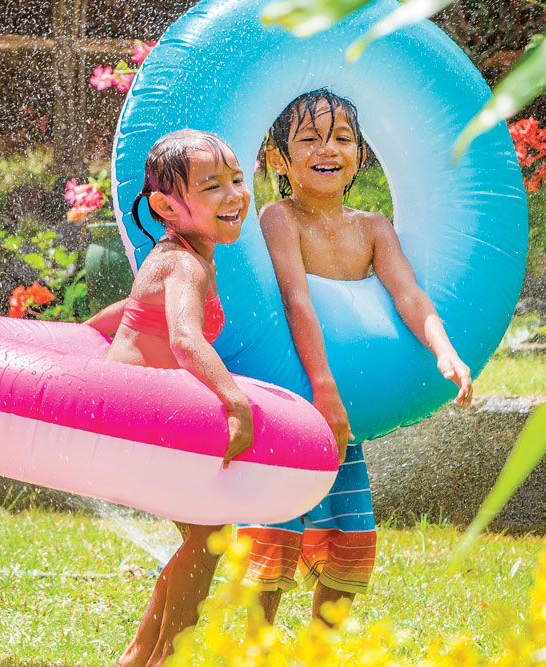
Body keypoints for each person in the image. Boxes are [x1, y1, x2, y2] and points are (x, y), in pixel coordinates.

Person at [238, 89, 474, 629]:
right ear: (278, 159)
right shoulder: (280, 219)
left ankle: (319, 652)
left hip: (346, 409)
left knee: (350, 533)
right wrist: (323, 389)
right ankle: (256, 651)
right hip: (299, 398)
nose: (329, 149)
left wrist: (445, 351)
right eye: (309, 139)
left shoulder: (373, 228)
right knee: (275, 532)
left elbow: (409, 295)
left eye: (343, 138)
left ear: (362, 155)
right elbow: (297, 300)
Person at [85, 129, 254, 666]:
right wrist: (235, 401)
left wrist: (82, 335)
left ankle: (141, 658)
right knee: (207, 535)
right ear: (166, 205)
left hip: (142, 421)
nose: (233, 194)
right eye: (212, 187)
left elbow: (132, 309)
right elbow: (184, 336)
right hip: (137, 424)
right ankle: (156, 660)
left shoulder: (179, 256)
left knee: (205, 534)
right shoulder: (184, 262)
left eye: (235, 179)